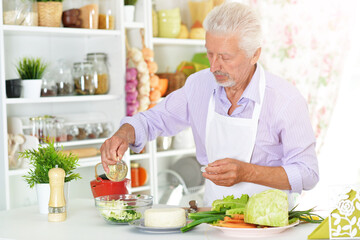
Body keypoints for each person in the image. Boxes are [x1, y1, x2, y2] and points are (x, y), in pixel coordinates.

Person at [100, 2, 319, 207]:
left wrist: (248, 173)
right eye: (210, 53)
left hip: (271, 225)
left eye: (225, 57)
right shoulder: (199, 85)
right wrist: (123, 134)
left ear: (255, 55)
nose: (214, 66)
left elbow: (308, 173)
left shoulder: (286, 100)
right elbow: (153, 120)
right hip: (215, 221)